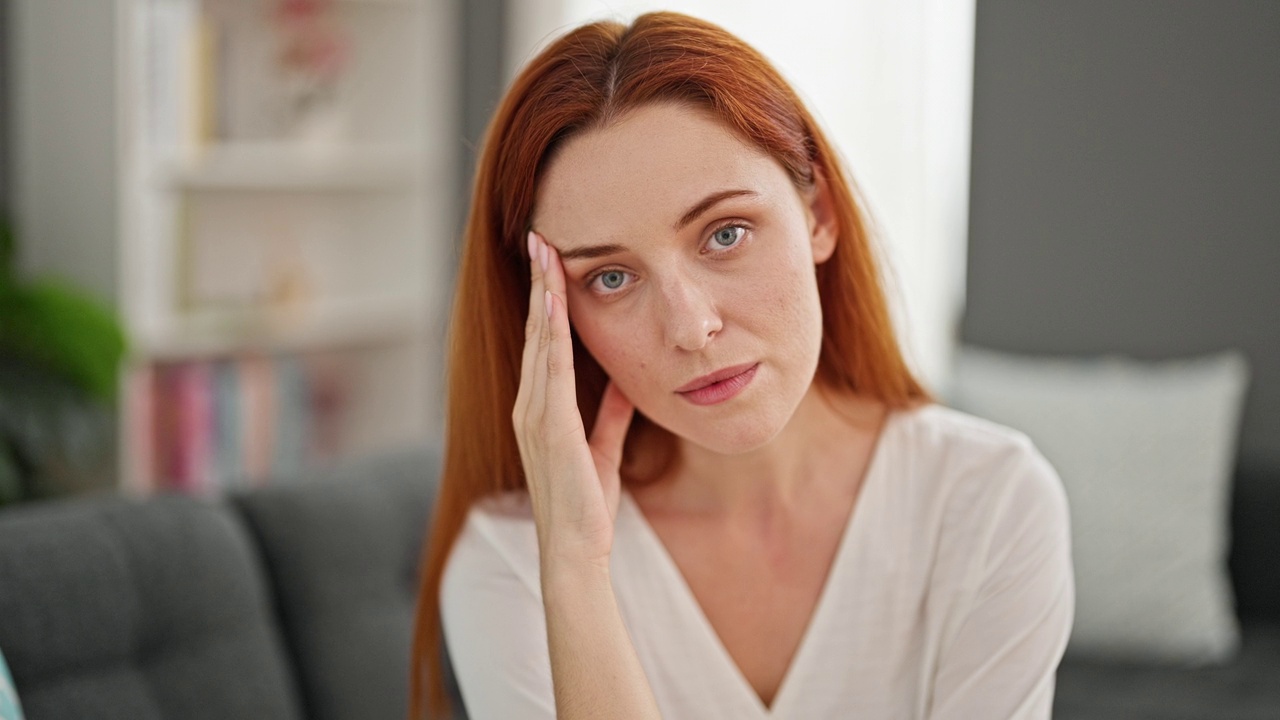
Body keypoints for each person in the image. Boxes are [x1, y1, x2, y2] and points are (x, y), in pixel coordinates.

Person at [409, 11, 1073, 720]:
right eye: (610, 278)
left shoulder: (987, 502)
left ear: (817, 214)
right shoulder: (517, 561)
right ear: (555, 314)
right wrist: (575, 571)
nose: (692, 328)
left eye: (725, 234)